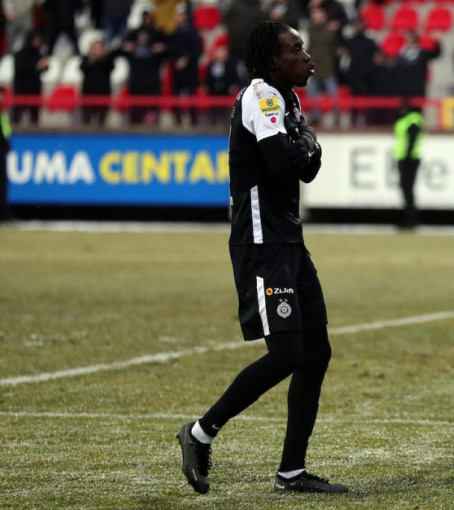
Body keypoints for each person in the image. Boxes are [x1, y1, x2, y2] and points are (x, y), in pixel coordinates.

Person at [175, 20, 348, 495]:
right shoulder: (261, 97)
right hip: (261, 242)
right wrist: (303, 146)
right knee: (288, 353)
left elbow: (306, 170)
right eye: (297, 49)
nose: (307, 57)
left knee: (316, 352)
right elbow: (281, 166)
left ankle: (291, 471)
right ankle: (200, 432)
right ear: (273, 59)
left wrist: (303, 149)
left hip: (288, 239)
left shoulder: (287, 99)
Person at [167, 3, 202, 126]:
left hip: (190, 71)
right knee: (176, 96)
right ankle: (178, 121)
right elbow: (171, 50)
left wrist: (186, 59)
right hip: (177, 71)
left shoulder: (192, 32)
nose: (178, 18)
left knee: (191, 96)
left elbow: (197, 50)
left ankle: (193, 121)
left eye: (180, 15)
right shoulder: (174, 33)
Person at [392, 100, 424, 229]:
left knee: (407, 189)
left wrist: (407, 156)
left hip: (409, 159)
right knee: (407, 190)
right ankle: (409, 218)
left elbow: (412, 139)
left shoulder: (411, 120)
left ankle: (410, 219)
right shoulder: (410, 119)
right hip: (407, 158)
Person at [12, 30, 49, 125]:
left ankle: (35, 132)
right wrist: (37, 67)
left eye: (39, 40)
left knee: (34, 117)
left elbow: (44, 69)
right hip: (21, 90)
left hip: (34, 90)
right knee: (17, 117)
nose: (37, 42)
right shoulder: (20, 54)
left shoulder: (39, 54)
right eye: (36, 39)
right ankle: (13, 132)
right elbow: (21, 68)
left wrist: (45, 66)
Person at [80, 38, 117, 126]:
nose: (97, 51)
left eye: (99, 49)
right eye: (94, 49)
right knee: (86, 120)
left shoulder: (107, 60)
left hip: (103, 94)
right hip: (88, 94)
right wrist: (92, 60)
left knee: (101, 120)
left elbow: (111, 67)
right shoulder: (86, 59)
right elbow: (83, 68)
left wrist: (102, 58)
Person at [0, 87, 11, 222]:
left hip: (2, 150)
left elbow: (5, 131)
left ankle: (3, 213)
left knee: (3, 183)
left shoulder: (3, 112)